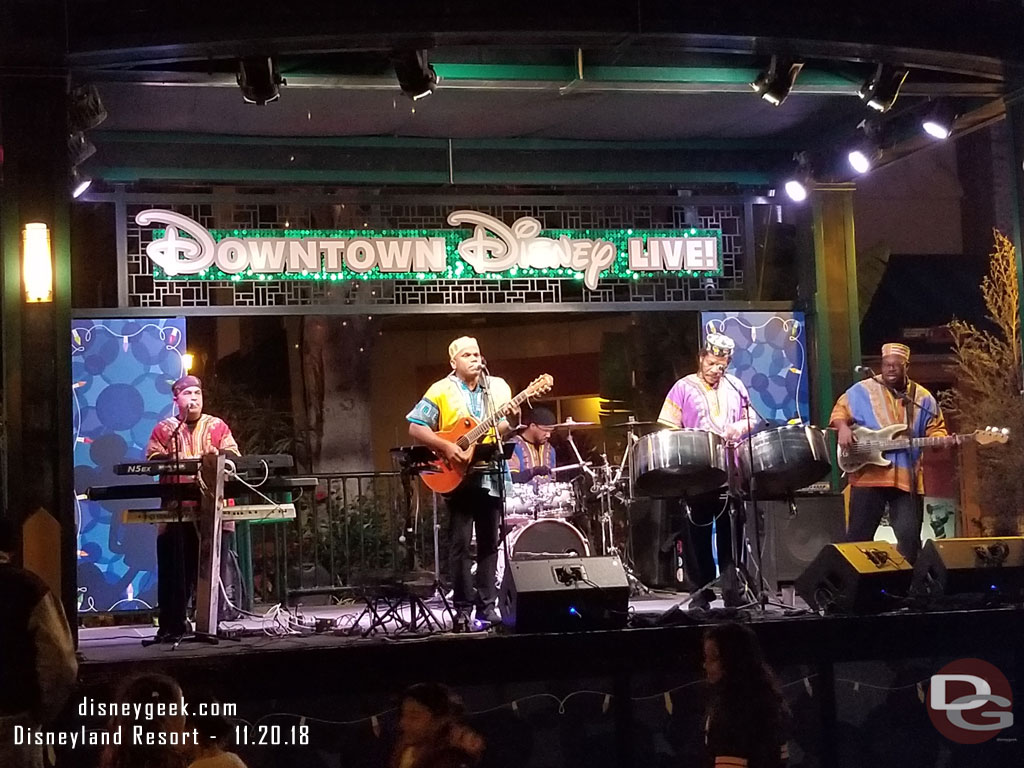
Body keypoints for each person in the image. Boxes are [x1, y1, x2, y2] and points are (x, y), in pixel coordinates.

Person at [407, 337, 514, 628]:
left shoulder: (497, 388)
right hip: (456, 475)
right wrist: (446, 447)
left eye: (477, 354)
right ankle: (463, 607)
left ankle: (487, 606)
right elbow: (416, 426)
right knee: (460, 544)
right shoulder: (441, 389)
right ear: (453, 362)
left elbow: (503, 426)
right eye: (466, 355)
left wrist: (508, 422)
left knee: (490, 544)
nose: (474, 359)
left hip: (489, 472)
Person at [657, 333, 758, 598]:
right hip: (697, 473)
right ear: (701, 358)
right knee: (696, 535)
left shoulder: (736, 386)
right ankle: (700, 593)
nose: (715, 370)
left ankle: (732, 591)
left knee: (731, 533)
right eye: (711, 363)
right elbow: (668, 425)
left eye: (721, 366)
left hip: (729, 471)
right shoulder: (683, 387)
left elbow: (752, 419)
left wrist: (740, 427)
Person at [830, 343, 949, 563]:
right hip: (869, 475)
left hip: (906, 480)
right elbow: (840, 411)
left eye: (896, 365)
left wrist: (940, 440)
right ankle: (858, 591)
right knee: (858, 537)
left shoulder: (922, 398)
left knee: (910, 539)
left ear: (907, 367)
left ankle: (906, 591)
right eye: (886, 365)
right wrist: (843, 428)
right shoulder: (862, 390)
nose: (890, 369)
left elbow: (937, 429)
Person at [145, 375, 241, 641]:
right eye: (188, 394)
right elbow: (152, 460)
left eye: (198, 393)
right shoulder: (165, 429)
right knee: (175, 570)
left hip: (215, 511)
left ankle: (211, 624)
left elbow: (234, 458)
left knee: (214, 570)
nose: (194, 399)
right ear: (176, 400)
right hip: (177, 512)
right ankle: (172, 625)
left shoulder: (218, 426)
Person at [0, 518, 78, 768]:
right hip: (12, 724)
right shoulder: (29, 588)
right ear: (11, 547)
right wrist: (39, 715)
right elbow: (61, 665)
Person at [703, 622, 790, 768]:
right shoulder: (771, 701)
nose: (705, 665)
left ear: (732, 661)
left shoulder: (732, 714)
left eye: (712, 658)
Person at [98, 673, 192, 768]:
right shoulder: (178, 762)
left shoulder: (115, 760)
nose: (185, 715)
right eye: (182, 708)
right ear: (165, 717)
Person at [391, 683, 484, 768]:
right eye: (403, 715)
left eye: (414, 717)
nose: (402, 723)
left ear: (440, 720)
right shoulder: (406, 749)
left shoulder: (451, 760)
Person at [508, 406, 557, 486]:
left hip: (547, 497)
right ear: (532, 426)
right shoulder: (513, 446)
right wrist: (533, 472)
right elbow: (511, 479)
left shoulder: (550, 449)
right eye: (545, 430)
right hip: (521, 497)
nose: (549, 435)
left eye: (551, 431)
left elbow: (553, 480)